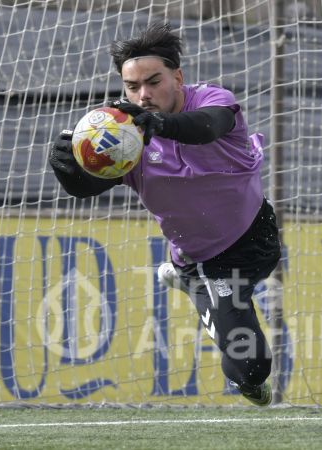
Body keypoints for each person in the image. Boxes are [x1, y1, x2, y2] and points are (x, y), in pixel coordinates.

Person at [48, 22, 281, 406]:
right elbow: (87, 188)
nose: (143, 95)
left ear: (177, 76)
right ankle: (191, 286)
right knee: (252, 367)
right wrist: (68, 170)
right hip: (209, 262)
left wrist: (160, 125)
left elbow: (208, 127)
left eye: (153, 82)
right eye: (132, 87)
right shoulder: (123, 136)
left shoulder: (210, 100)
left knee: (254, 300)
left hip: (259, 232)